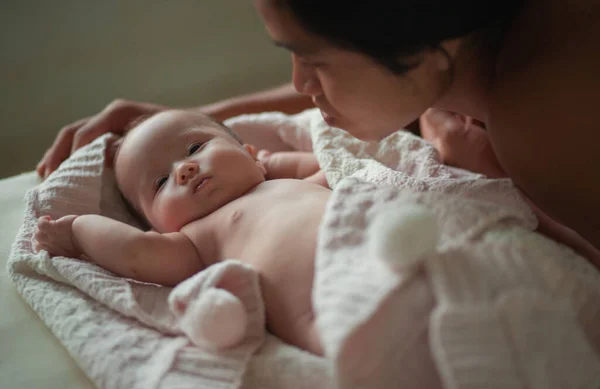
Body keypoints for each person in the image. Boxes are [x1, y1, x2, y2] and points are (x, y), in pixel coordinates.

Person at [37, 0, 600, 252]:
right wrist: (181, 128)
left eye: (313, 59)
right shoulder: (459, 51)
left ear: (422, 50)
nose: (300, 83)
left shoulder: (540, 117)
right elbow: (377, 87)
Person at [34, 109, 329, 355]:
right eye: (161, 182)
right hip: (328, 302)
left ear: (250, 154)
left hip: (363, 223)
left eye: (194, 148)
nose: (184, 169)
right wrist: (77, 230)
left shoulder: (297, 183)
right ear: (158, 227)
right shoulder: (197, 240)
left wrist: (270, 163)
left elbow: (333, 165)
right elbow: (134, 252)